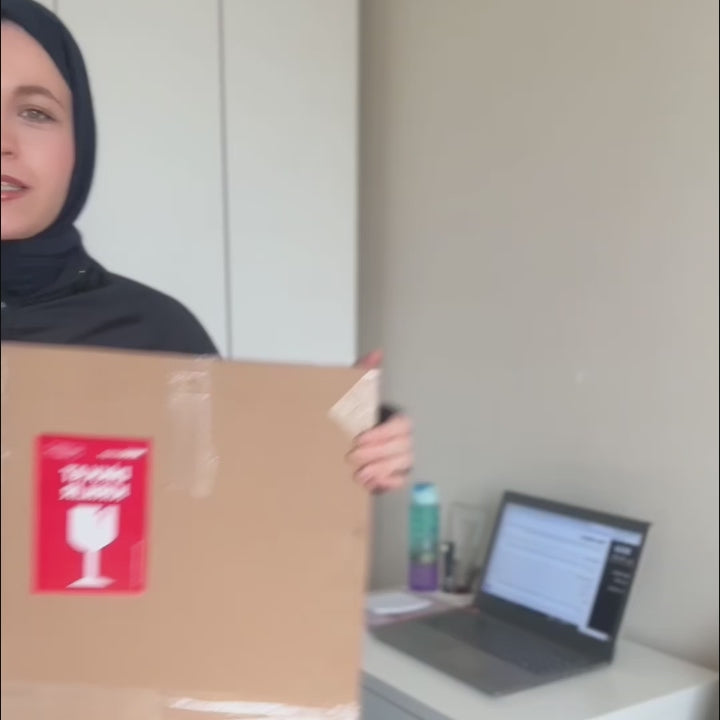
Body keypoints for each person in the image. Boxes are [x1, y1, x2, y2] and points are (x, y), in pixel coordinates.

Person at [1, 0, 413, 493]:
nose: (3, 140)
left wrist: (353, 446)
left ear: (80, 142)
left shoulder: (158, 336)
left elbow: (242, 493)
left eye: (35, 112)